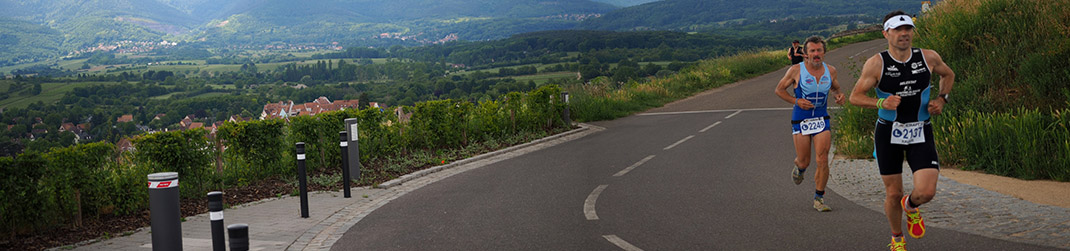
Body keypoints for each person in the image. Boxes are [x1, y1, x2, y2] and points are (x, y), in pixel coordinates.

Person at [848, 10, 955, 251]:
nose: (904, 33)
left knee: (926, 191)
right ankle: (897, 238)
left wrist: (942, 99)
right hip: (888, 134)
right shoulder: (876, 63)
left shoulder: (928, 57)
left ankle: (911, 206)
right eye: (897, 30)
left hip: (920, 130)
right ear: (886, 33)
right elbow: (855, 97)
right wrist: (880, 103)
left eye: (907, 29)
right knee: (893, 193)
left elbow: (948, 75)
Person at [774, 35, 846, 212]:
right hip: (801, 119)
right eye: (812, 51)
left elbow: (836, 87)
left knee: (822, 158)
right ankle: (799, 167)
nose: (816, 54)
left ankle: (818, 198)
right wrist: (796, 101)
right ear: (805, 54)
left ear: (824, 52)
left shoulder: (831, 71)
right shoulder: (795, 70)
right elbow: (779, 90)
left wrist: (839, 95)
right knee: (805, 161)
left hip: (821, 118)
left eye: (819, 50)